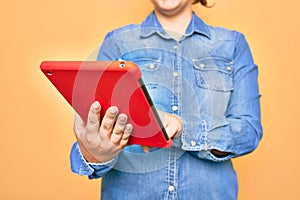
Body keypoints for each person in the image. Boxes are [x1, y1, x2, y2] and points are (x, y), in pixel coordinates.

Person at [70, 0, 263, 199]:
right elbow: (98, 137)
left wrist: (182, 128)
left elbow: (248, 132)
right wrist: (94, 153)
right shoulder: (117, 42)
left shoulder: (232, 45)